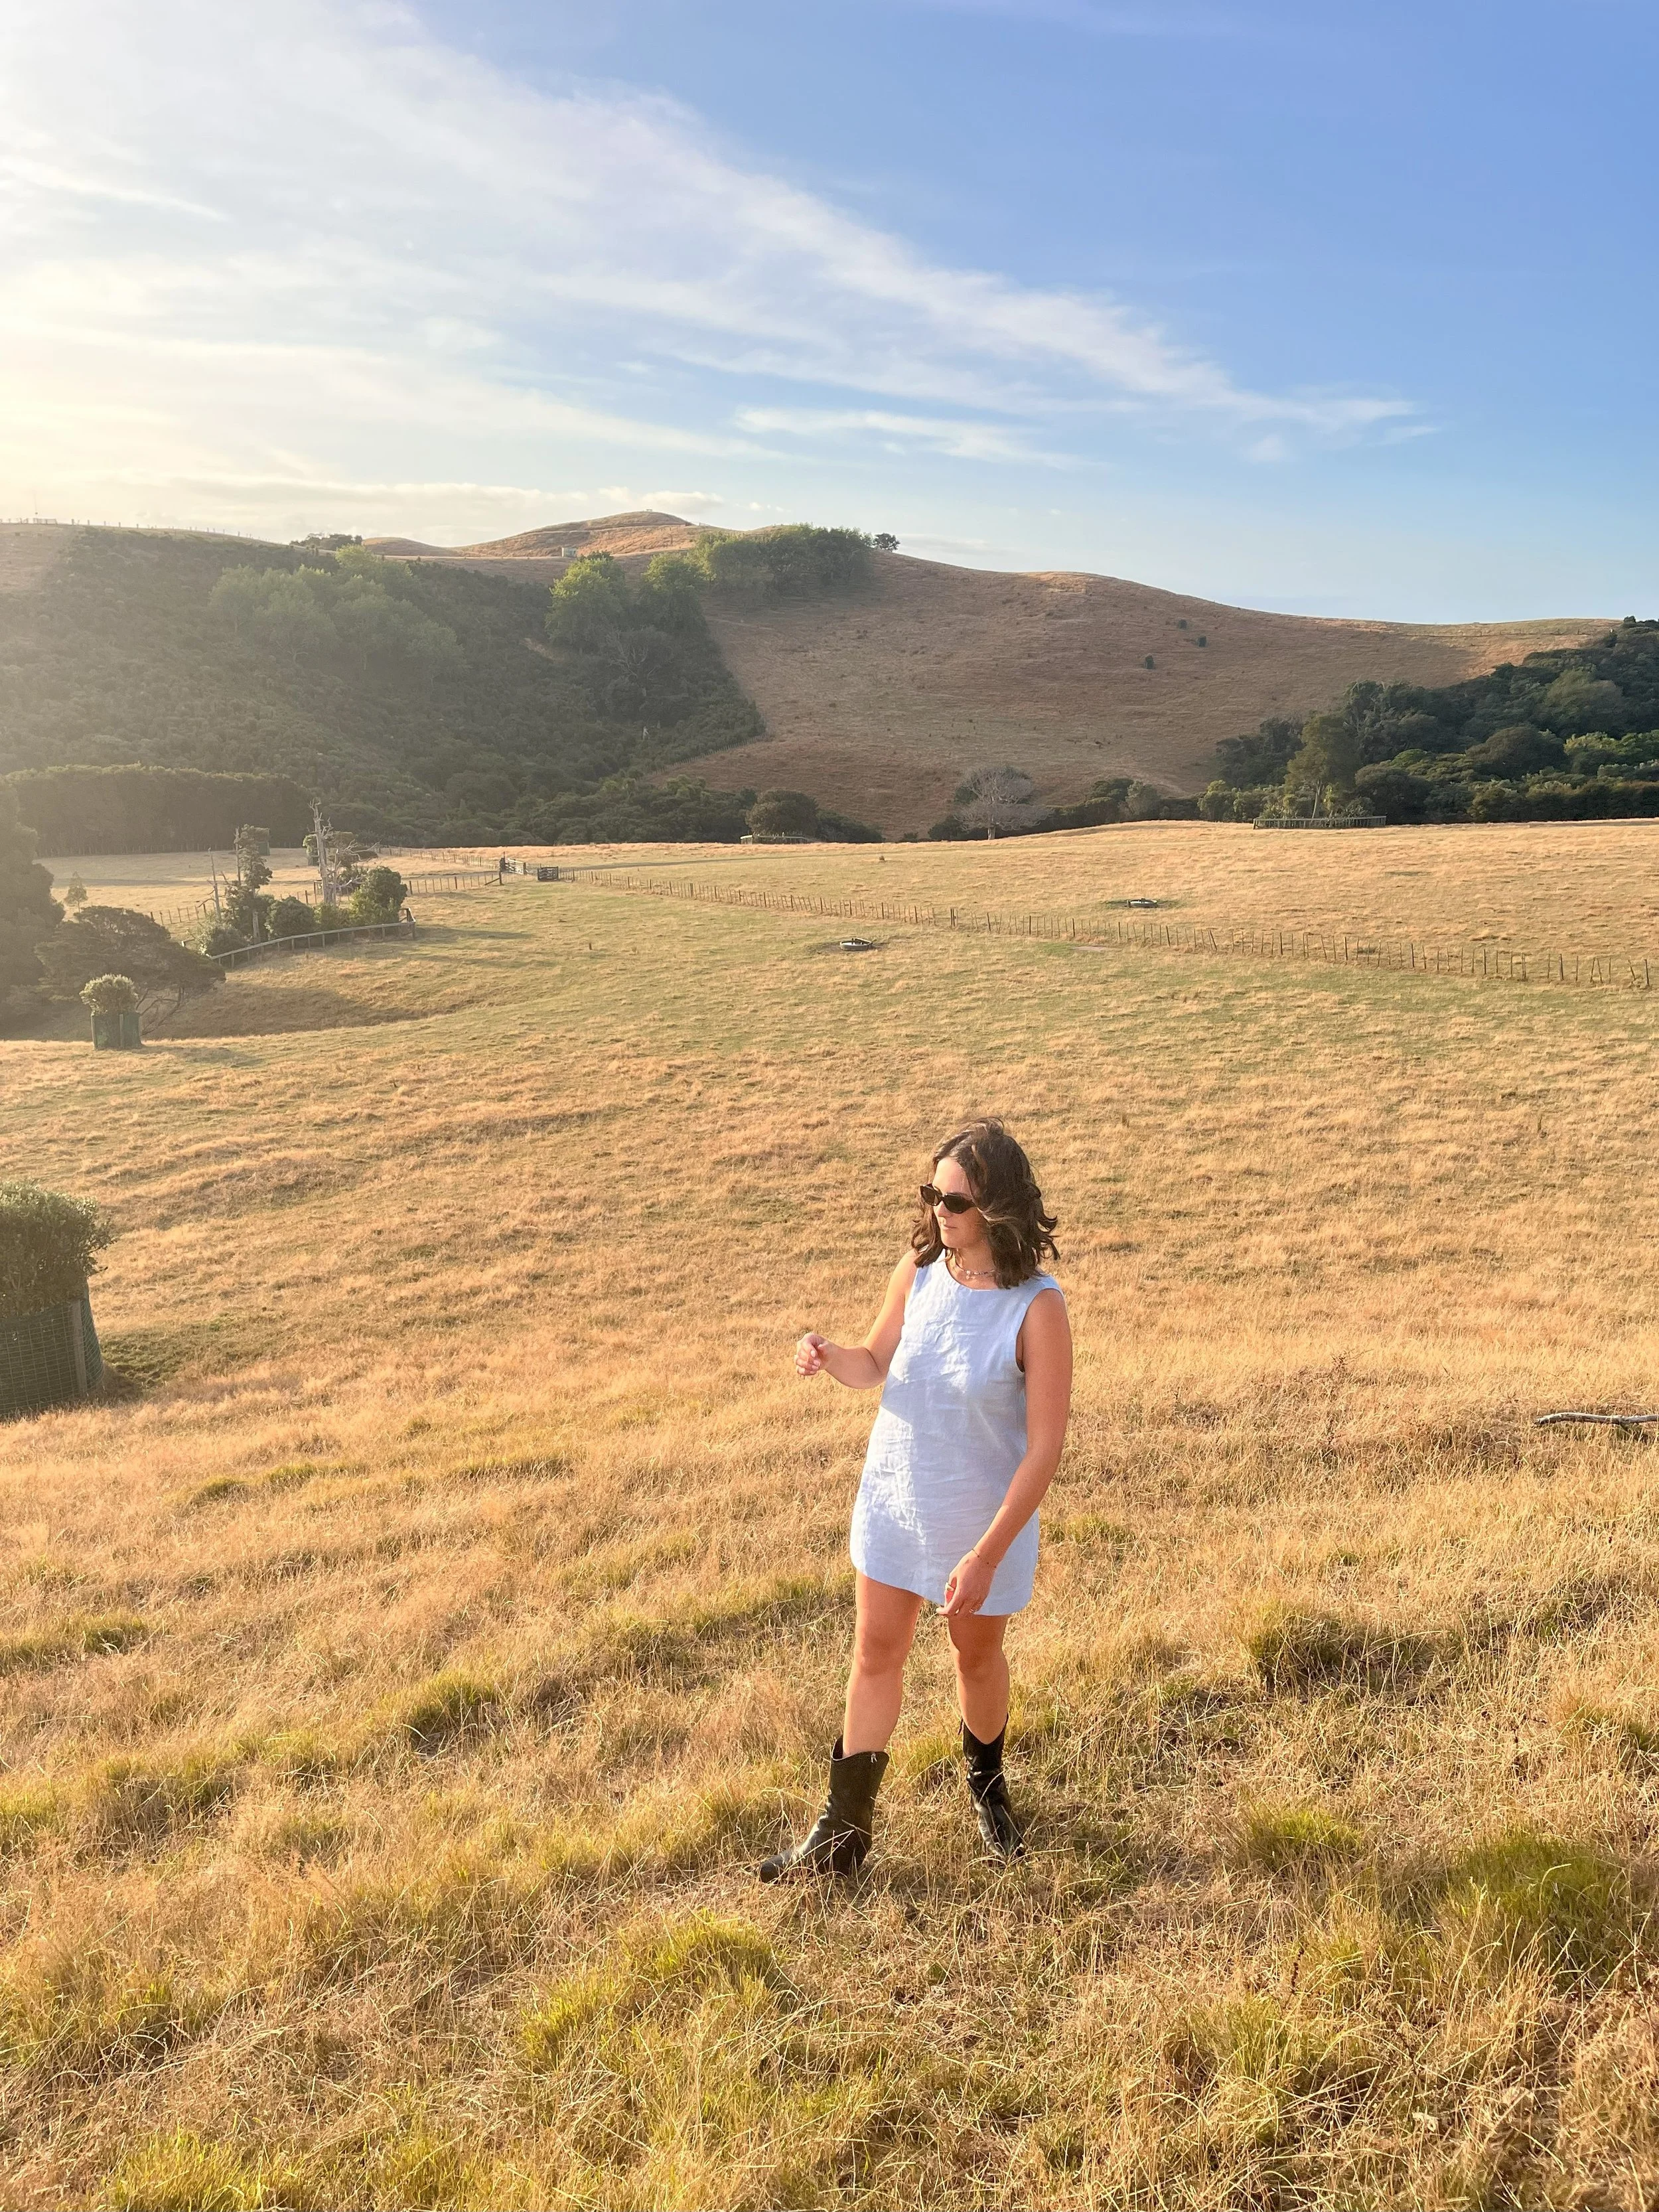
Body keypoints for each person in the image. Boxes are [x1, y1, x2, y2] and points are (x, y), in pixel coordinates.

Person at [760, 1119, 1072, 1881]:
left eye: (954, 1199)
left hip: (980, 1523)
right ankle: (841, 1839)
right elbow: (875, 1362)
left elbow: (1044, 1451)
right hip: (897, 1500)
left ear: (996, 1207)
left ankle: (987, 1786)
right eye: (932, 1193)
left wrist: (985, 1553)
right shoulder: (919, 1270)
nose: (939, 1209)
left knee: (976, 1658)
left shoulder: (1036, 1309)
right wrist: (832, 1356)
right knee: (874, 1654)